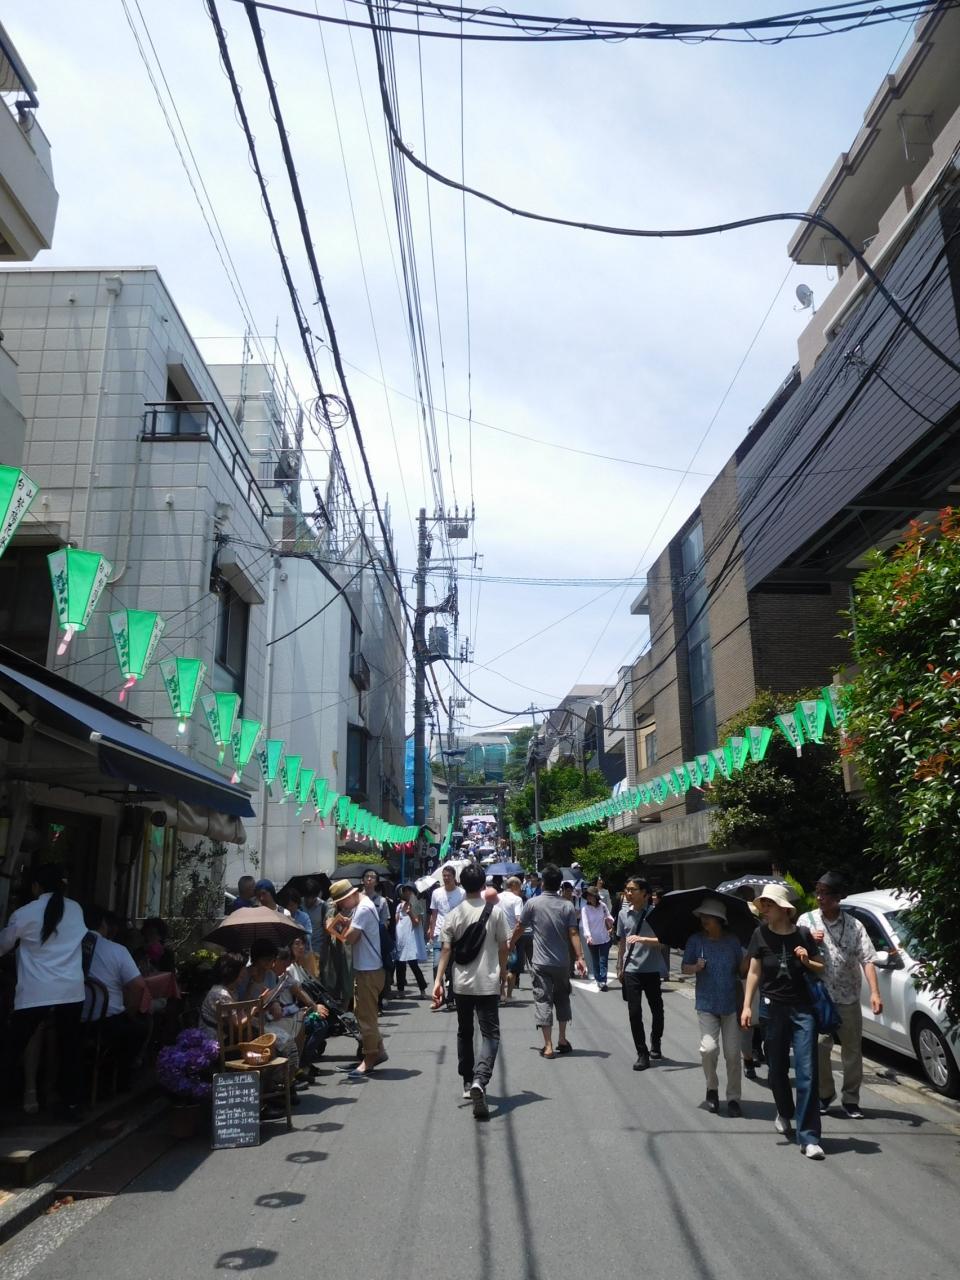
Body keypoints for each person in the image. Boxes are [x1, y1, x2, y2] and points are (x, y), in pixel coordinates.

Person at [742, 883, 826, 1160]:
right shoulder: (760, 934)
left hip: (803, 1009)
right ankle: (784, 1110)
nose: (764, 909)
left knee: (807, 1070)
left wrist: (806, 960)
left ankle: (809, 1137)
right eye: (763, 904)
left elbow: (821, 966)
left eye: (769, 904)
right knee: (777, 1068)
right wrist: (747, 1006)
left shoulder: (803, 934)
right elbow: (754, 972)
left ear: (784, 909)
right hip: (772, 1009)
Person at [0, 864, 87, 1119]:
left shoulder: (25, 913)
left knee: (13, 1047)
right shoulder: (75, 909)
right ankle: (72, 1105)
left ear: (36, 886)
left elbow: (3, 945)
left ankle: (6, 1102)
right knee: (70, 1048)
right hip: (71, 990)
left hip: (36, 991)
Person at [798, 870, 883, 1119]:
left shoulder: (855, 925)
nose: (819, 898)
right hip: (819, 997)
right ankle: (825, 1094)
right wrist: (808, 939)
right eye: (818, 892)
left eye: (825, 893)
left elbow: (867, 959)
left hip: (849, 997)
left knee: (852, 1050)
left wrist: (875, 993)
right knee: (819, 1046)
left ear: (838, 897)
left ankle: (851, 1099)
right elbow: (795, 950)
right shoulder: (806, 921)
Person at [434, 863, 509, 1119]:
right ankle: (480, 1079)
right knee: (491, 1035)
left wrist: (438, 981)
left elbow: (446, 950)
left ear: (461, 884)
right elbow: (503, 947)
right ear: (483, 885)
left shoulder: (454, 914)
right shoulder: (495, 912)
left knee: (465, 1032)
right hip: (488, 982)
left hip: (461, 983)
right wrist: (503, 973)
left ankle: (467, 1081)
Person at [510, 863, 587, 1059]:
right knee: (562, 998)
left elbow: (520, 927)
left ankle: (548, 1045)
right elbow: (573, 932)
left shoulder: (532, 903)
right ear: (559, 884)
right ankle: (562, 1039)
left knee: (543, 999)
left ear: (542, 883)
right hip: (562, 962)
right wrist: (580, 957)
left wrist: (510, 944)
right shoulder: (567, 905)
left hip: (540, 962)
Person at [681, 898, 745, 1115]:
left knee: (733, 1054)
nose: (703, 920)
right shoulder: (695, 940)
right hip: (706, 1004)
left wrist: (750, 958)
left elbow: (741, 970)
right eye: (702, 917)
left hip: (731, 1004)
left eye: (707, 917)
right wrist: (695, 967)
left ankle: (734, 1098)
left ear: (719, 919)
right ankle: (712, 1088)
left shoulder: (733, 941)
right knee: (708, 1049)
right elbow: (684, 967)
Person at [82, 904, 149, 1091]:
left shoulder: (71, 946)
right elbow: (138, 985)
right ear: (103, 924)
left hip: (72, 1017)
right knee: (139, 1028)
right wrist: (130, 1012)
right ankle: (119, 1081)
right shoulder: (116, 950)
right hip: (106, 1021)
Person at [327, 878, 387, 1076]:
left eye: (341, 903)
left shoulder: (362, 909)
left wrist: (335, 927)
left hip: (368, 970)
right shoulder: (364, 905)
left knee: (366, 1018)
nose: (341, 907)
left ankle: (368, 1059)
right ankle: (378, 1051)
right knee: (364, 1013)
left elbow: (351, 938)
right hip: (369, 968)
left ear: (350, 896)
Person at [617, 877, 665, 1070]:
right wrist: (619, 966)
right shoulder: (623, 914)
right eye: (627, 889)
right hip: (631, 970)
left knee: (657, 1010)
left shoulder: (656, 914)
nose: (628, 893)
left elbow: (663, 942)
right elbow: (622, 941)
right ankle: (642, 1053)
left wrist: (642, 939)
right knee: (634, 1012)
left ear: (645, 893)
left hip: (652, 969)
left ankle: (656, 1040)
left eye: (633, 890)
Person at [426, 865, 465, 1010]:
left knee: (453, 968)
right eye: (444, 876)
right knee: (437, 965)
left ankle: (451, 998)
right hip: (439, 933)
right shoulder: (436, 893)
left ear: (454, 877)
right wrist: (431, 931)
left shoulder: (462, 893)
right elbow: (434, 914)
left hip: (456, 934)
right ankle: (439, 996)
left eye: (448, 876)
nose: (446, 878)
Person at [394, 884, 429, 997]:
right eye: (405, 891)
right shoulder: (400, 906)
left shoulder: (416, 905)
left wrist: (410, 914)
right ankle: (400, 991)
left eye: (409, 891)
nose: (407, 893)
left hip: (411, 939)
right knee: (400, 965)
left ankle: (422, 989)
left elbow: (417, 922)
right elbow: (397, 922)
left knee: (413, 965)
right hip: (401, 938)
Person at [581, 885, 615, 990]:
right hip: (592, 939)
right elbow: (585, 924)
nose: (589, 897)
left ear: (596, 896)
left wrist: (610, 920)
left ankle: (603, 981)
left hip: (604, 937)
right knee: (595, 961)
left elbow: (609, 916)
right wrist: (588, 936)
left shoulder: (603, 906)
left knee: (603, 961)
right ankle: (598, 979)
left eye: (591, 895)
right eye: (588, 896)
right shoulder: (585, 909)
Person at [497, 876, 525, 1001]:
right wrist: (512, 939)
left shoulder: (497, 897)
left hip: (498, 937)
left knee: (499, 965)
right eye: (519, 886)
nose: (520, 889)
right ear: (514, 885)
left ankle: (500, 993)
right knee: (512, 968)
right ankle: (508, 995)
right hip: (513, 937)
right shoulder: (517, 899)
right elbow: (519, 920)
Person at [281, 888, 314, 953]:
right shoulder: (281, 917)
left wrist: (295, 923)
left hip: (303, 953)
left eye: (292, 905)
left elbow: (309, 936)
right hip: (287, 953)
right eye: (287, 906)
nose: (290, 908)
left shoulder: (304, 917)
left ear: (297, 904)